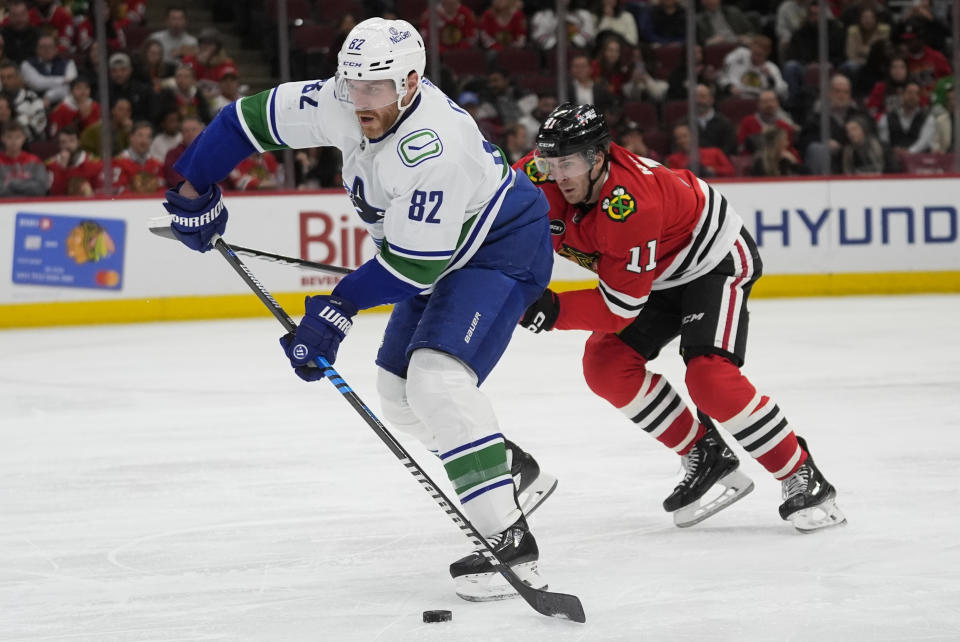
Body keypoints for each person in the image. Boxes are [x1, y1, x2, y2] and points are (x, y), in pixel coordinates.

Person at [159, 17, 559, 602]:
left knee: (437, 383)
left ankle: (511, 541)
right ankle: (508, 470)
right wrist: (194, 187)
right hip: (434, 253)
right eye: (352, 84)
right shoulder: (342, 99)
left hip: (500, 249)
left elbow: (415, 268)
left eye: (375, 87)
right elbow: (243, 122)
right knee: (398, 396)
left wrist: (338, 307)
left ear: (411, 82)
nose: (359, 100)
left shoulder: (436, 148)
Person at [515, 102, 846, 533]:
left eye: (569, 163)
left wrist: (551, 309)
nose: (557, 175)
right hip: (653, 274)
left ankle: (802, 474)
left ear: (599, 157)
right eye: (549, 162)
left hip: (712, 260)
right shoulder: (534, 176)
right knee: (606, 365)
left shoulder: (631, 204)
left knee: (710, 380)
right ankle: (703, 453)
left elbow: (618, 308)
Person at [877, 81, 935, 154]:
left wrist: (909, 152)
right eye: (909, 93)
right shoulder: (886, 118)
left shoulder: (928, 118)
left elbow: (925, 142)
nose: (912, 96)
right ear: (902, 95)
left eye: (916, 94)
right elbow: (883, 141)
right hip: (893, 160)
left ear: (919, 98)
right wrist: (892, 151)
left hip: (918, 159)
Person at [20, 32, 77, 106]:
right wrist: (63, 80)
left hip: (63, 106)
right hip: (34, 105)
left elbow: (70, 87)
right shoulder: (26, 64)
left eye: (50, 46)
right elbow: (37, 84)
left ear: (56, 49)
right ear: (37, 49)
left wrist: (49, 96)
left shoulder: (69, 63)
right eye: (43, 47)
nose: (47, 50)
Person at [46, 124, 103, 196]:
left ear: (79, 142)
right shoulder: (52, 165)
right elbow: (54, 195)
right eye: (63, 142)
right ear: (59, 145)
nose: (68, 145)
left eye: (71, 141)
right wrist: (61, 169)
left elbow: (101, 191)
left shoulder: (94, 163)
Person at [114, 120, 165, 194]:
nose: (144, 140)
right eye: (140, 135)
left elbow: (162, 190)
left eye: (148, 137)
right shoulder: (118, 163)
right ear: (131, 137)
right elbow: (118, 191)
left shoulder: (157, 165)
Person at [666, 122, 735, 177]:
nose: (682, 140)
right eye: (678, 138)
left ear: (694, 136)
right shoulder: (673, 159)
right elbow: (672, 178)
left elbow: (731, 171)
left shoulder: (714, 152)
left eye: (685, 136)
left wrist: (714, 170)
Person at [0, 60, 46, 141]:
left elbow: (40, 122)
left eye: (9, 77)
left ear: (18, 77)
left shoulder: (31, 97)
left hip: (28, 142)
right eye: (2, 78)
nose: (5, 81)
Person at [0, 120, 46, 196]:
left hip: (32, 204)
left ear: (24, 138)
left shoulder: (34, 160)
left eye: (18, 137)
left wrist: (11, 183)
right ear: (2, 138)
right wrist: (25, 185)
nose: (13, 141)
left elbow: (41, 188)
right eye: (9, 137)